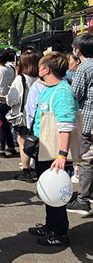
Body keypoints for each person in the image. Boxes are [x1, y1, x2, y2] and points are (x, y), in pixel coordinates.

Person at [28, 52, 78, 247]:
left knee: (56, 193)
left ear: (46, 70)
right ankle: (50, 226)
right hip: (44, 149)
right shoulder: (48, 88)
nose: (38, 70)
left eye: (40, 67)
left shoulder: (62, 91)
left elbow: (66, 125)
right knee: (47, 192)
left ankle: (59, 232)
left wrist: (62, 154)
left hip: (55, 153)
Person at [66, 33, 93, 214]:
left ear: (78, 49)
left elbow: (74, 95)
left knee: (86, 160)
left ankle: (83, 199)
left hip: (88, 120)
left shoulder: (84, 67)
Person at [6, 51, 40, 182]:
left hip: (23, 117)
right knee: (35, 142)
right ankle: (35, 168)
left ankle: (26, 170)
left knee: (23, 142)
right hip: (37, 115)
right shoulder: (40, 78)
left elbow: (11, 99)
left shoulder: (21, 78)